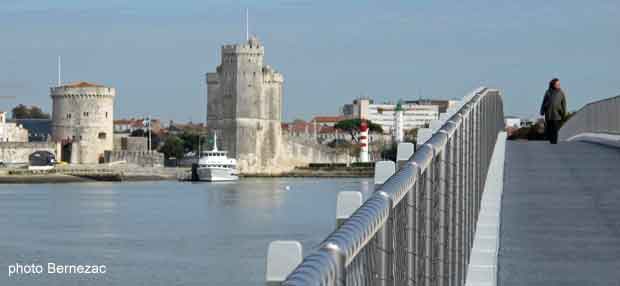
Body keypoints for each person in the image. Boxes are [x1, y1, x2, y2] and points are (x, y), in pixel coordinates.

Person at [540, 78, 567, 144]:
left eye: (559, 84)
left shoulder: (561, 92)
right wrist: (542, 110)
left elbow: (564, 103)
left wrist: (564, 113)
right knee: (549, 128)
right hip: (548, 113)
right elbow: (544, 102)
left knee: (555, 128)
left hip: (557, 114)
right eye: (557, 84)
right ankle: (551, 139)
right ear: (553, 84)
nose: (558, 85)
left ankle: (554, 141)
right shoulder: (548, 92)